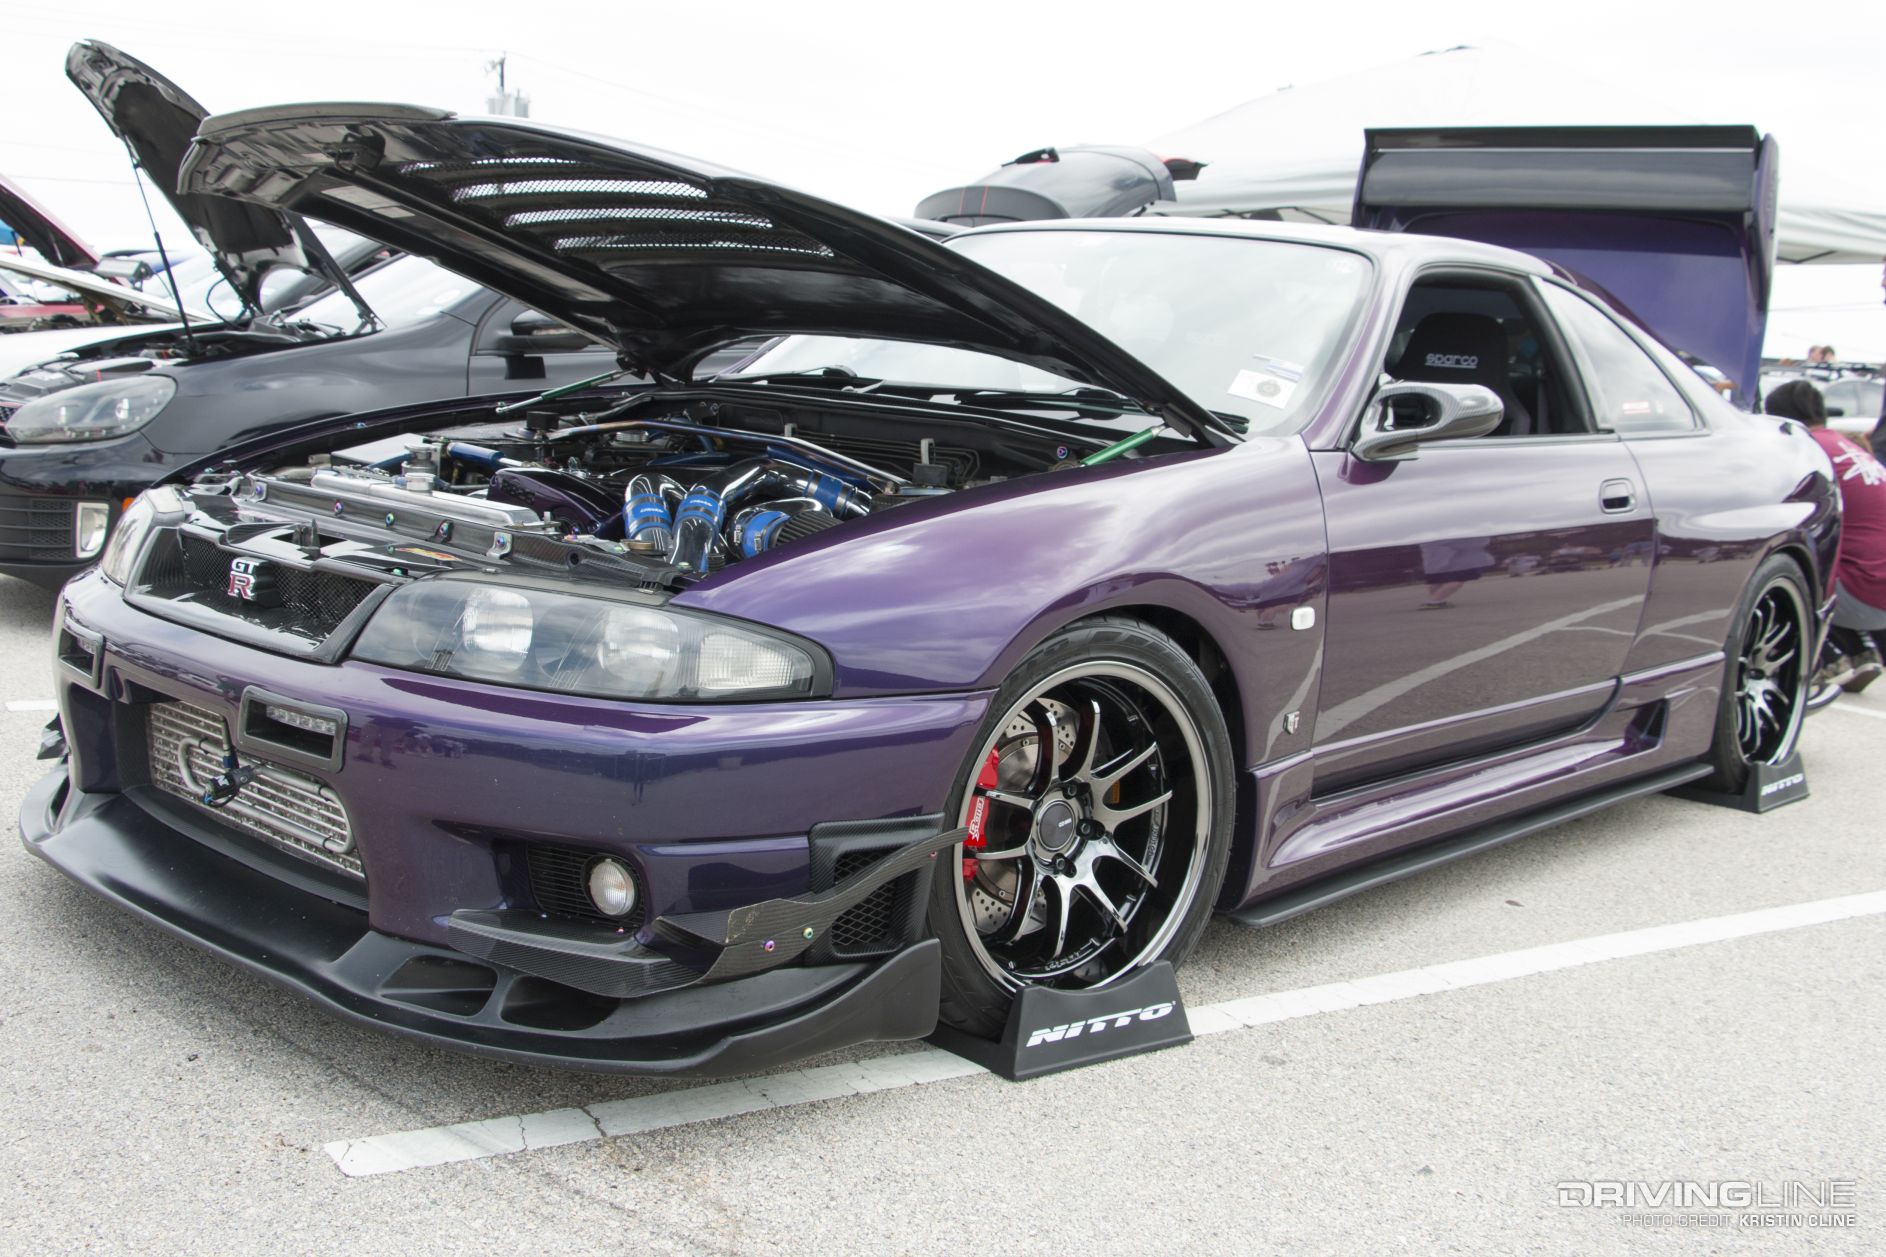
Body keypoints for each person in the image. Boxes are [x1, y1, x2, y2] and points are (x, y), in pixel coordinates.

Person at [1766, 379, 1886, 690]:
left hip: (1864, 592)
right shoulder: (1847, 447)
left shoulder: (1808, 451)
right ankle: (1860, 651)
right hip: (1874, 589)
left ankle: (1826, 657)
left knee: (1779, 565)